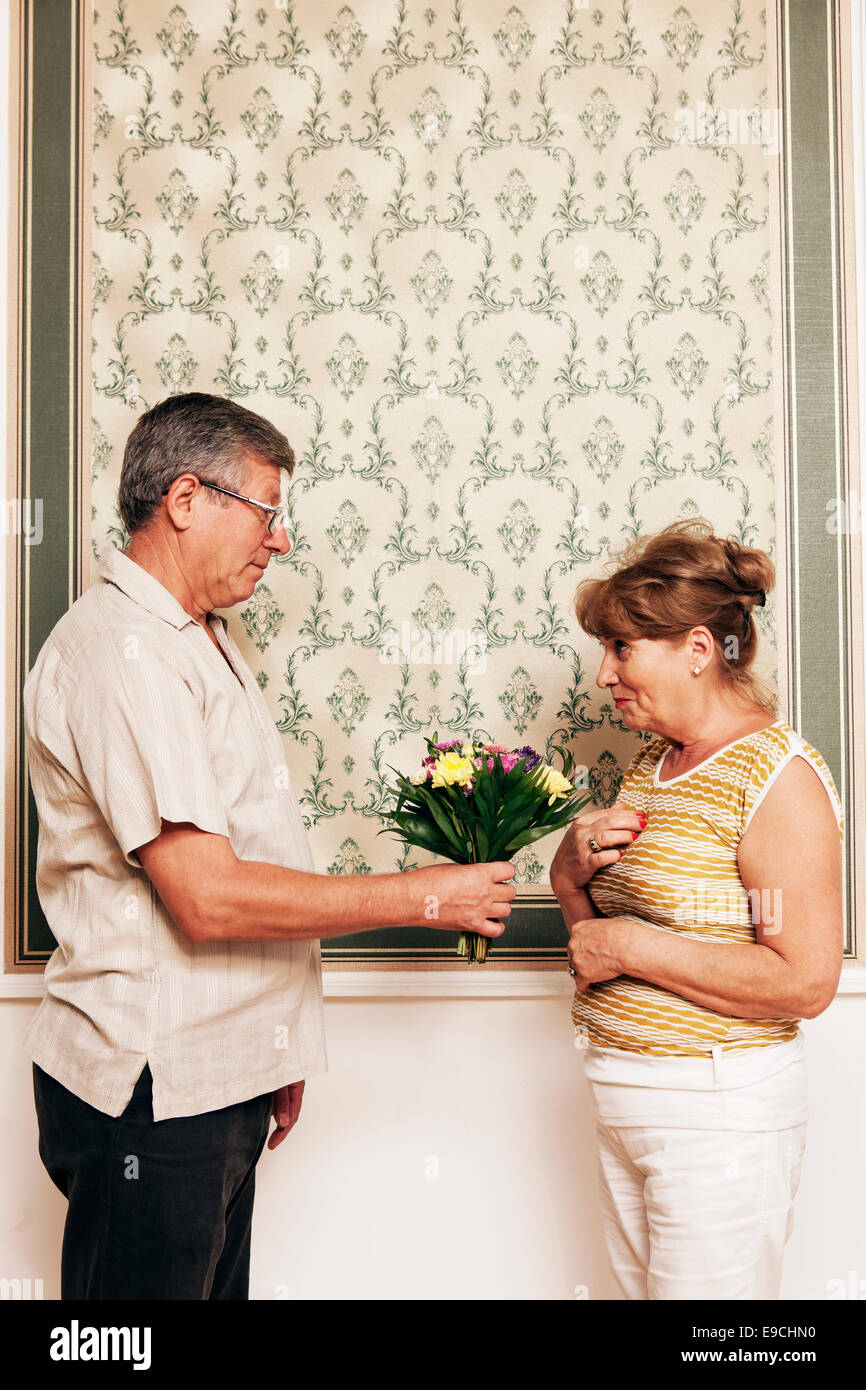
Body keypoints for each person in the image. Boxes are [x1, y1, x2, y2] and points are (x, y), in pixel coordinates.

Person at [23, 392, 515, 1300]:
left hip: (213, 1077)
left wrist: (267, 1051)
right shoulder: (121, 652)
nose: (280, 539)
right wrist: (424, 895)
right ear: (184, 500)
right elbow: (206, 897)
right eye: (267, 509)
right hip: (152, 1096)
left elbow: (247, 842)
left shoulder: (201, 638)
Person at [549, 519, 844, 1301]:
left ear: (698, 649)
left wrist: (629, 946)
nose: (604, 674)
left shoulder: (778, 776)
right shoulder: (657, 763)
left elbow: (806, 982)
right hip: (627, 1103)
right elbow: (594, 951)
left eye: (620, 648)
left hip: (718, 1120)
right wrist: (569, 874)